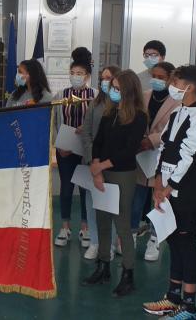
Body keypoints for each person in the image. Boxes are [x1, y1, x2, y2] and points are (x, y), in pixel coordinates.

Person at [143, 65, 196, 320]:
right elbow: (165, 147)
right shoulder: (177, 113)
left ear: (189, 87)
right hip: (165, 189)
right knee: (174, 241)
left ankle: (189, 305)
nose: (171, 86)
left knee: (187, 244)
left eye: (175, 81)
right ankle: (172, 297)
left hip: (184, 192)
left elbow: (189, 155)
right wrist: (156, 179)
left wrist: (170, 185)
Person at [81, 70, 147, 298]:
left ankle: (128, 274)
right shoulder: (110, 113)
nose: (113, 91)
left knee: (122, 225)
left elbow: (129, 149)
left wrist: (103, 165)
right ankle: (103, 267)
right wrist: (96, 167)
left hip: (122, 175)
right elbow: (98, 142)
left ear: (129, 90)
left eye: (118, 88)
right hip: (102, 173)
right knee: (102, 221)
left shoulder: (138, 117)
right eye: (112, 87)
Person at [52, 49, 96, 248]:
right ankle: (65, 225)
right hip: (65, 151)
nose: (76, 76)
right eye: (73, 73)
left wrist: (87, 131)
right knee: (66, 188)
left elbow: (98, 123)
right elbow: (54, 123)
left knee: (86, 189)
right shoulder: (61, 95)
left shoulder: (95, 95)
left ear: (87, 76)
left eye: (80, 73)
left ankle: (85, 228)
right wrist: (59, 145)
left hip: (86, 150)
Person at [137, 61, 179, 263]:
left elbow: (172, 128)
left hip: (160, 156)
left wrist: (150, 141)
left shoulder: (176, 101)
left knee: (158, 199)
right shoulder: (144, 96)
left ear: (171, 78)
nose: (156, 80)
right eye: (154, 76)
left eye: (161, 77)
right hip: (140, 156)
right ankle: (131, 234)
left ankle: (155, 238)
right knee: (136, 200)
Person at [79, 65, 120, 260]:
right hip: (91, 163)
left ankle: (109, 245)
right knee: (92, 205)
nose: (105, 82)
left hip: (113, 165)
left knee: (110, 206)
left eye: (109, 78)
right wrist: (91, 160)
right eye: (103, 78)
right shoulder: (94, 104)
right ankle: (95, 242)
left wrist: (104, 164)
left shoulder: (123, 106)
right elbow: (86, 133)